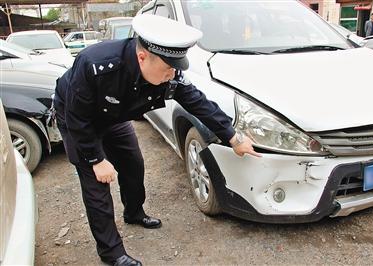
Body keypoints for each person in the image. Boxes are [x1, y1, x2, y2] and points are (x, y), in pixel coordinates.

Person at [53, 14, 260, 266]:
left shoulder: (166, 72)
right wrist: (96, 159)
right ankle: (111, 252)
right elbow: (76, 118)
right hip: (78, 121)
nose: (172, 74)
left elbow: (198, 102)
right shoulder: (96, 65)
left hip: (113, 118)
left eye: (175, 67)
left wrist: (233, 137)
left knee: (133, 164)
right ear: (143, 57)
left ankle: (134, 212)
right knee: (97, 188)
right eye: (168, 68)